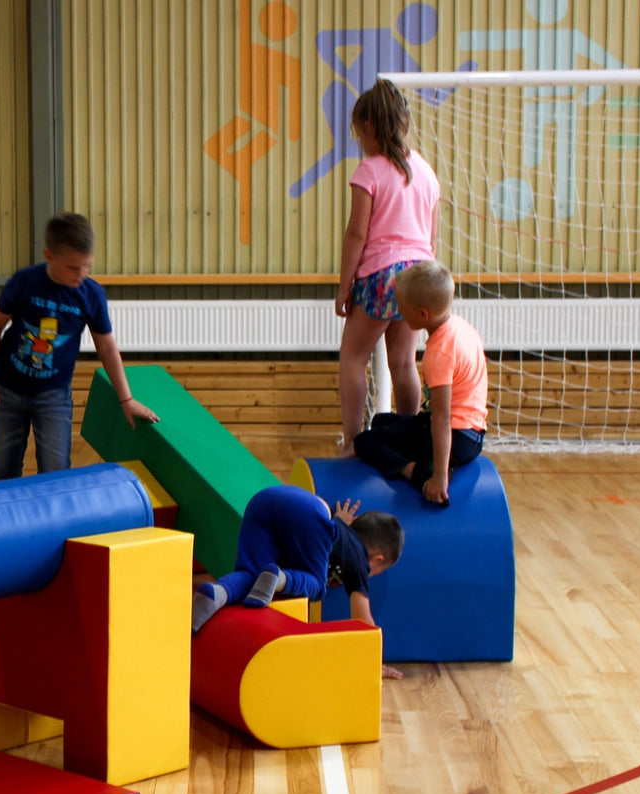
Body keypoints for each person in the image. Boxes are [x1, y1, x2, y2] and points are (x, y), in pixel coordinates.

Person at [0, 212, 158, 480]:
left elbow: (107, 348)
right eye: (74, 267)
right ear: (50, 256)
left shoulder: (91, 294)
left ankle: (50, 520)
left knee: (56, 469)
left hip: (53, 395)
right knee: (1, 467)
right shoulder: (25, 282)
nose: (82, 274)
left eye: (87, 266)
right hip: (7, 390)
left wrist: (126, 399)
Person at [191, 484, 405, 678]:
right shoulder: (359, 558)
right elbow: (363, 622)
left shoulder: (339, 529)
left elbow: (330, 530)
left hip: (266, 498)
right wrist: (375, 665)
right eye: (376, 571)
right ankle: (280, 577)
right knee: (317, 587)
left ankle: (216, 594)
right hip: (309, 509)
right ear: (378, 559)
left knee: (251, 574)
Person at [335, 78, 440, 456]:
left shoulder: (370, 170)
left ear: (369, 127)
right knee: (403, 362)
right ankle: (410, 438)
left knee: (353, 356)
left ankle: (353, 442)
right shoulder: (426, 172)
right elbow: (431, 237)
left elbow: (356, 234)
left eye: (358, 132)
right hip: (418, 273)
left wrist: (345, 286)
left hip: (382, 273)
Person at [352, 260, 487, 506]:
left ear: (423, 314)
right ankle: (424, 461)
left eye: (403, 308)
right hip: (473, 433)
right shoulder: (460, 327)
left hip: (458, 438)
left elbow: (442, 418)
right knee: (381, 421)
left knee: (364, 441)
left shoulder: (439, 353)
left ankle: (416, 471)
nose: (399, 313)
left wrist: (439, 477)